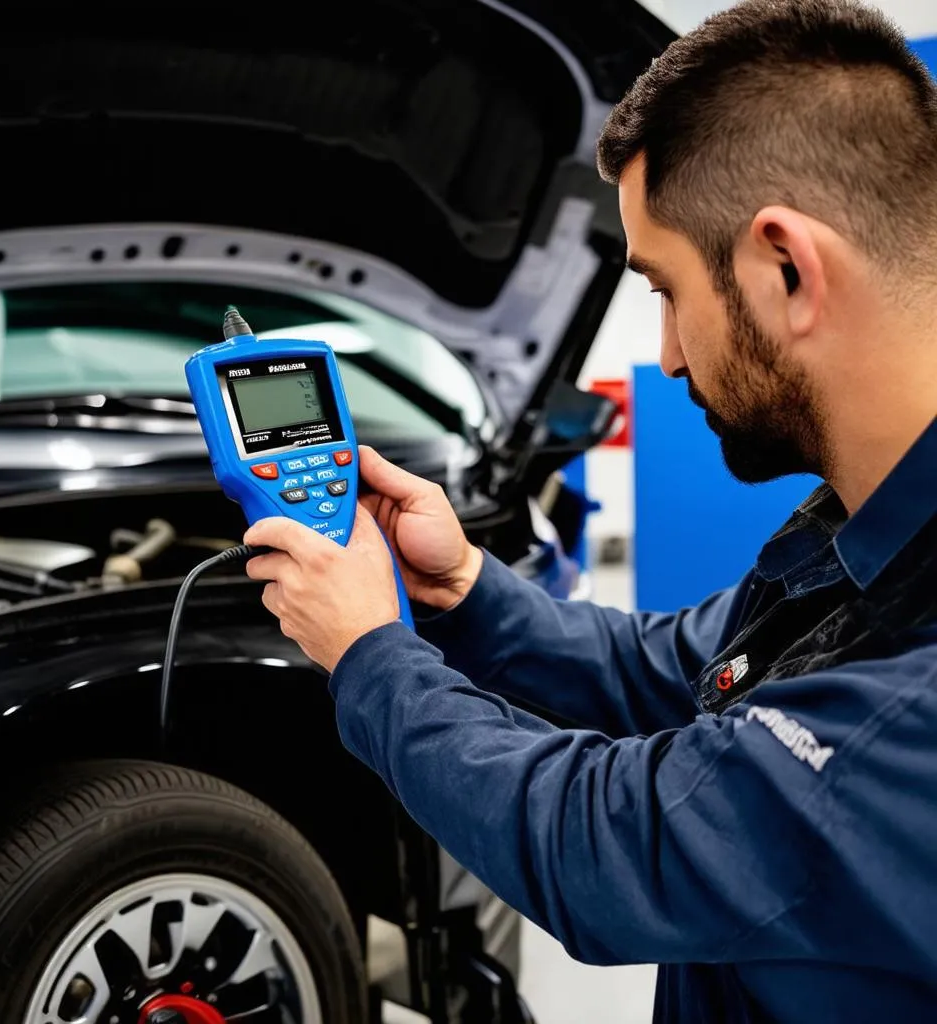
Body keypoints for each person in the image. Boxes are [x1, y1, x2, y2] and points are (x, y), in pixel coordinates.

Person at [243, 0, 937, 1019]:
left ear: (785, 268)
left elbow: (608, 840)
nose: (661, 355)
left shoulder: (912, 704)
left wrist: (369, 654)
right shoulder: (859, 540)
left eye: (662, 289)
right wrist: (465, 592)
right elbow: (666, 671)